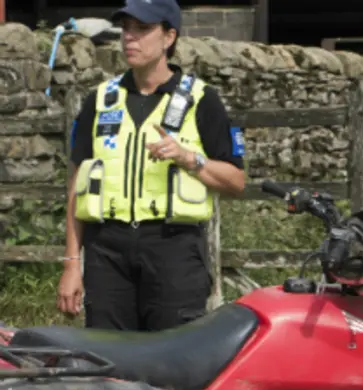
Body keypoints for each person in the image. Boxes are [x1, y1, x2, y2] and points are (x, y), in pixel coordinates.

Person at [57, 0, 246, 331]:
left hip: (172, 248)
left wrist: (190, 158)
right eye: (127, 29)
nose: (130, 38)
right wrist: (72, 264)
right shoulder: (101, 100)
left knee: (172, 364)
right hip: (107, 250)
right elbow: (76, 182)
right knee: (107, 361)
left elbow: (236, 181)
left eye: (143, 29)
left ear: (168, 37)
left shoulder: (202, 100)